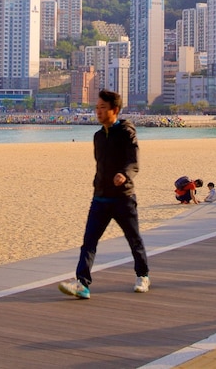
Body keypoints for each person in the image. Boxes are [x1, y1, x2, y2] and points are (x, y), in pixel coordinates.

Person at [58, 89, 150, 299]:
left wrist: (124, 175)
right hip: (100, 197)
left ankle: (143, 275)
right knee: (89, 241)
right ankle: (82, 283)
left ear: (114, 110)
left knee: (133, 238)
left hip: (123, 197)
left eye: (102, 108)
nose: (98, 111)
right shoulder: (98, 136)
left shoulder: (127, 132)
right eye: (96, 107)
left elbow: (133, 161)